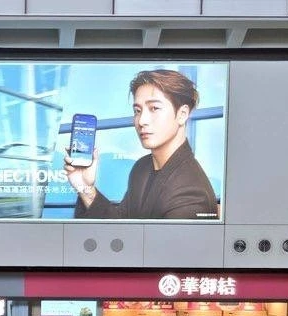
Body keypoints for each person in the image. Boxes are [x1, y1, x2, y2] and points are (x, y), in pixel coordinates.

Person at [66, 68, 218, 221]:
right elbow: (121, 223)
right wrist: (84, 186)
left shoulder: (191, 195)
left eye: (154, 108)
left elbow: (126, 234)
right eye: (137, 111)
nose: (142, 121)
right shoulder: (142, 167)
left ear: (182, 114)